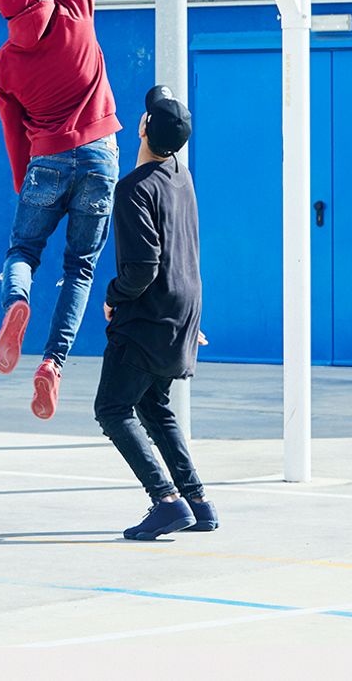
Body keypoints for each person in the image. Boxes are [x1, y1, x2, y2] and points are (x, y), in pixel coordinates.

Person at [0, 0, 120, 420]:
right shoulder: (73, 8)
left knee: (24, 247)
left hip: (44, 159)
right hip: (99, 155)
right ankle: (54, 363)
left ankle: (16, 299)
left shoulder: (4, 64)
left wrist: (27, 184)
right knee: (82, 267)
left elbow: (13, 133)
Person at [94, 86, 219, 540]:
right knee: (154, 406)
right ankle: (198, 502)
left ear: (145, 129)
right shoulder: (182, 177)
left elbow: (142, 268)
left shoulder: (132, 190)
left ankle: (166, 501)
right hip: (182, 308)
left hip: (148, 316)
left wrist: (112, 295)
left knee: (111, 408)